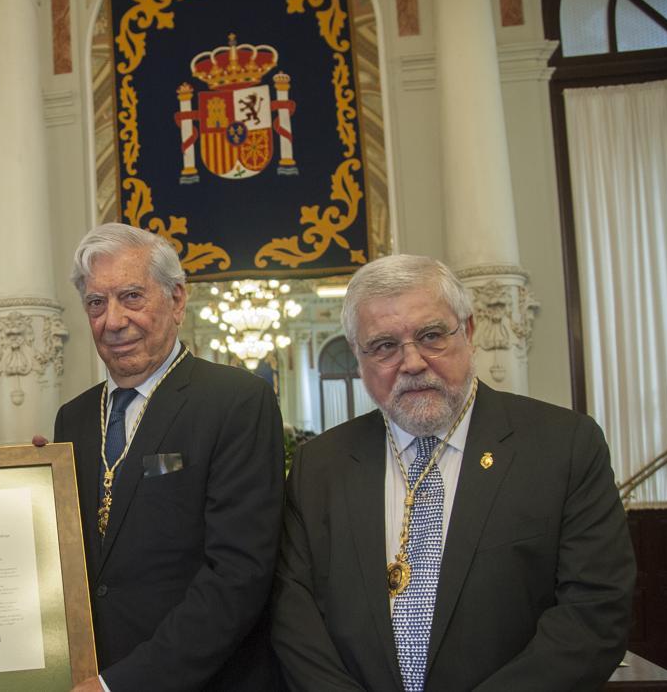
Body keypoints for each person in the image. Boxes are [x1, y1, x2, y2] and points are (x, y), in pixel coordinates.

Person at [271, 254, 635, 691]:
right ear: (358, 355)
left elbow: (594, 612)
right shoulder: (321, 465)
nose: (412, 362)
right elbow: (294, 615)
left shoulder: (563, 447)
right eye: (385, 345)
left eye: (430, 336)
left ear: (469, 331)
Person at [54, 223, 284, 691]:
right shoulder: (72, 418)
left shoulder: (236, 400)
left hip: (201, 680)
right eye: (96, 303)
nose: (113, 320)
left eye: (132, 297)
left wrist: (123, 684)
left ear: (177, 300)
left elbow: (238, 575)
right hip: (89, 675)